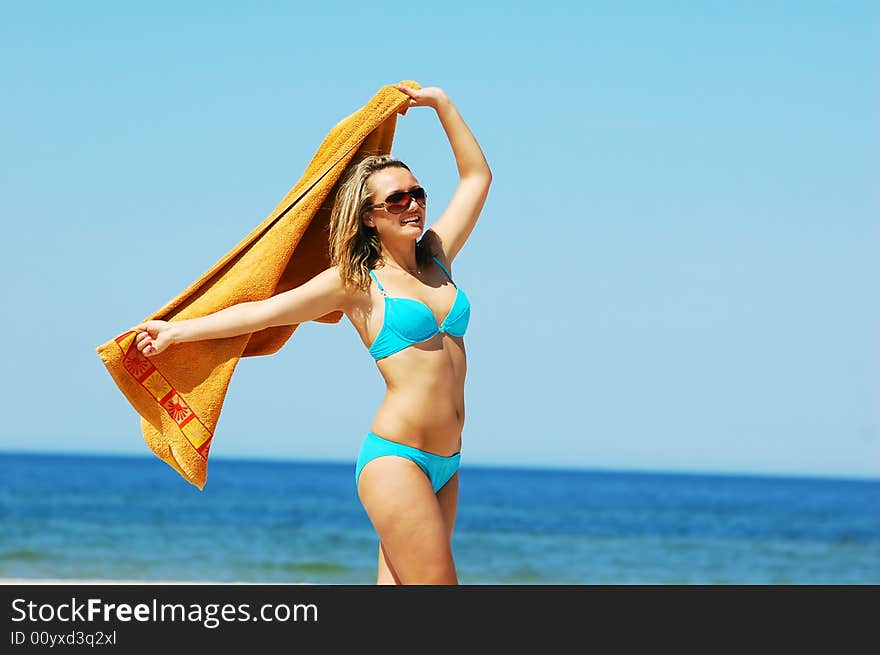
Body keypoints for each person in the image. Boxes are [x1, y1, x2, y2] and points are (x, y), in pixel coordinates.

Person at [132, 84, 491, 585]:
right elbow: (264, 313)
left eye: (418, 194)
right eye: (396, 199)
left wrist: (442, 105)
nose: (412, 205)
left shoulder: (437, 256)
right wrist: (177, 332)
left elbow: (477, 177)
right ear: (369, 217)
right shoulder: (354, 281)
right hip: (396, 460)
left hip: (447, 460)